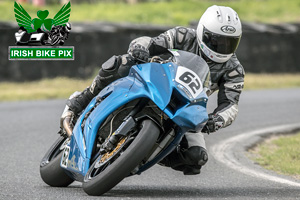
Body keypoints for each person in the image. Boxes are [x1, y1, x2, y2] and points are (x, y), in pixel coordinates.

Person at [61, 5, 244, 175]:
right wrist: (140, 48)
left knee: (196, 159)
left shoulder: (234, 69)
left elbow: (231, 105)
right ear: (202, 31)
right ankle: (81, 101)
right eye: (216, 40)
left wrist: (216, 120)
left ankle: (143, 152)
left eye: (229, 43)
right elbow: (151, 41)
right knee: (119, 63)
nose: (221, 47)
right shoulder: (183, 36)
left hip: (185, 106)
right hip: (156, 81)